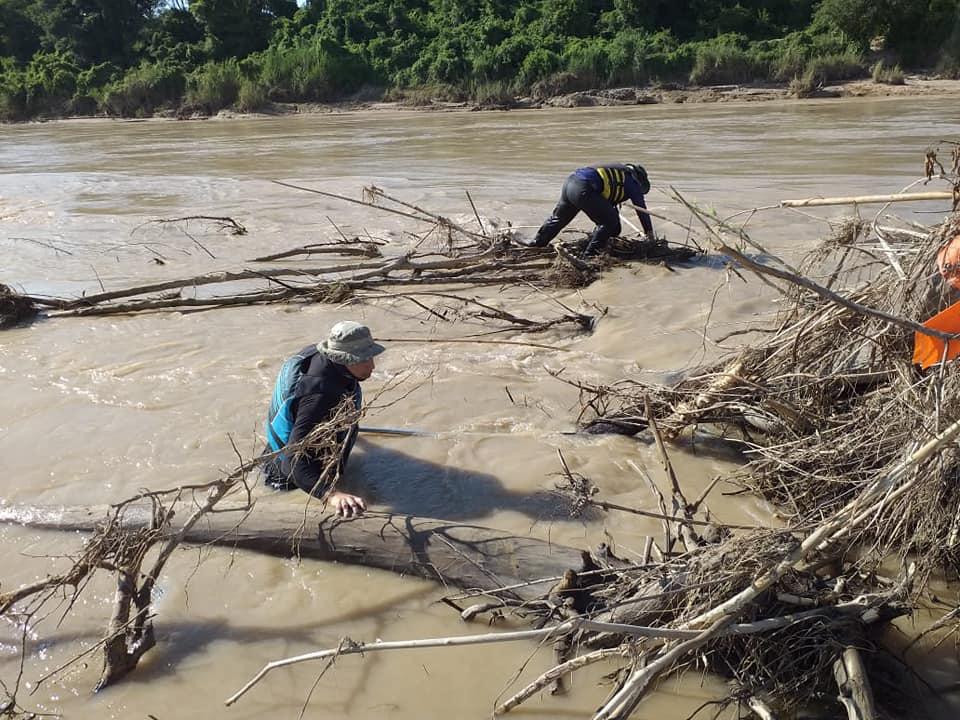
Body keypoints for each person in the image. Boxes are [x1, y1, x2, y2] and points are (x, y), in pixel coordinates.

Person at [262, 321, 385, 517]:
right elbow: (293, 463)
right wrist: (332, 495)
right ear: (344, 358)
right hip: (291, 476)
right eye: (363, 359)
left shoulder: (321, 354)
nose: (372, 365)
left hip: (296, 439)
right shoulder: (318, 396)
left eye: (370, 356)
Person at [520, 163, 655, 256]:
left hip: (571, 182)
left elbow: (606, 198)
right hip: (584, 188)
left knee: (559, 219)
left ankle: (537, 243)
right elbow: (641, 210)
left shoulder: (618, 170)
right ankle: (590, 256)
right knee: (609, 222)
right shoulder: (632, 181)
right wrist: (649, 233)